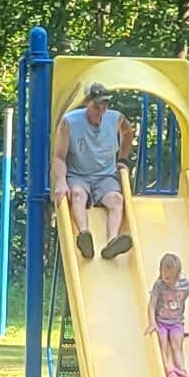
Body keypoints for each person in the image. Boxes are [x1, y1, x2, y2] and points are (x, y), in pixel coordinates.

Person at [59, 83, 134, 261]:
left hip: (104, 176)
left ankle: (112, 241)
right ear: (86, 103)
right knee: (77, 195)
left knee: (117, 199)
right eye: (96, 105)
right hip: (79, 175)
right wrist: (61, 180)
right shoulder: (70, 122)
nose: (100, 109)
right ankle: (84, 235)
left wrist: (122, 159)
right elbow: (59, 157)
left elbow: (128, 133)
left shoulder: (116, 119)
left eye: (104, 104)